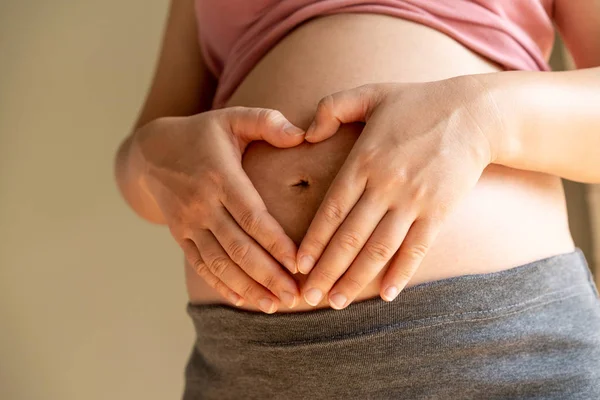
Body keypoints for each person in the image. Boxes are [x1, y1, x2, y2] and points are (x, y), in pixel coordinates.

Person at [114, 0, 600, 398]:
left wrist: (482, 118)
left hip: (497, 352)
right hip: (252, 362)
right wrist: (150, 158)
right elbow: (145, 163)